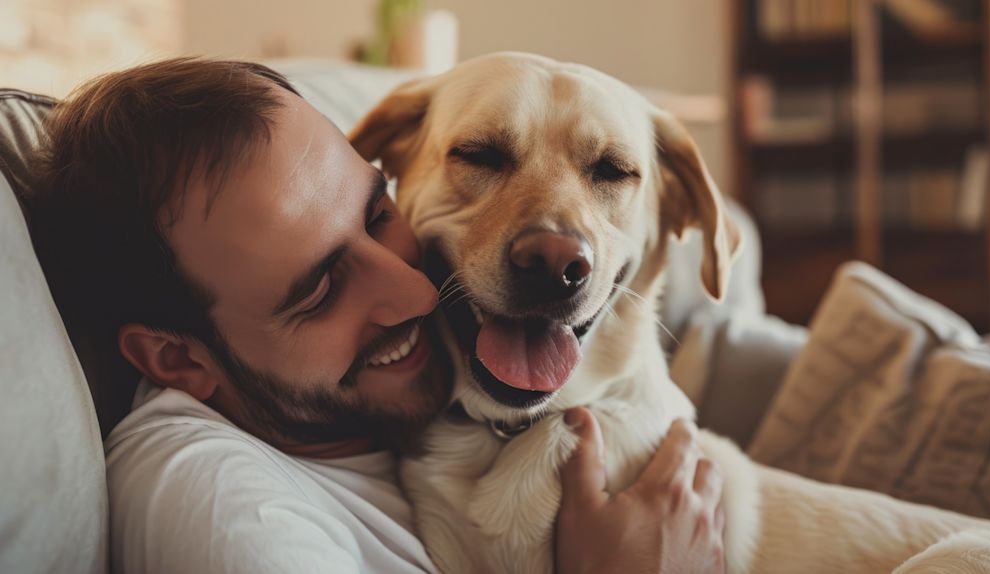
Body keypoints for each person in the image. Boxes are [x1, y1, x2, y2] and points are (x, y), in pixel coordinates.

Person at [33, 58, 726, 574]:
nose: (416, 294)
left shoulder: (397, 420)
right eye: (320, 290)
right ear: (178, 358)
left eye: (378, 215)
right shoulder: (232, 516)